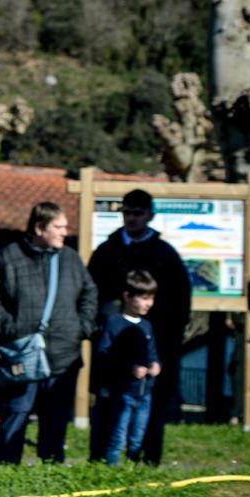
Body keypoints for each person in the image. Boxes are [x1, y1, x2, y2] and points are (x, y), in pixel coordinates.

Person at [85, 189, 190, 465]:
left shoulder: (164, 254)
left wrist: (167, 339)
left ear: (150, 215)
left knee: (151, 404)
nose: (132, 218)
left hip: (153, 343)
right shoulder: (107, 251)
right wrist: (99, 326)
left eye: (138, 213)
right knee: (107, 403)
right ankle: (101, 458)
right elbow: (91, 292)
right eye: (127, 212)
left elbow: (180, 300)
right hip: (113, 344)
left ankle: (147, 458)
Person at [0, 202, 98, 465]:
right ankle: (6, 469)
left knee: (55, 419)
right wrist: (12, 329)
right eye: (58, 227)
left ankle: (51, 469)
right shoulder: (8, 257)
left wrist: (80, 328)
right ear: (39, 228)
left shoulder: (70, 258)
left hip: (63, 354)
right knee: (15, 414)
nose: (64, 232)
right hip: (21, 353)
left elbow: (89, 294)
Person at [94, 271, 161, 467]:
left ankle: (132, 469)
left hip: (145, 392)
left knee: (138, 436)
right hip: (123, 392)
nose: (149, 303)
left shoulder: (147, 326)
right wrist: (129, 368)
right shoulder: (114, 323)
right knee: (118, 435)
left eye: (151, 298)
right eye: (144, 298)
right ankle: (111, 470)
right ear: (127, 296)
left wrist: (155, 365)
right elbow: (105, 354)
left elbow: (152, 352)